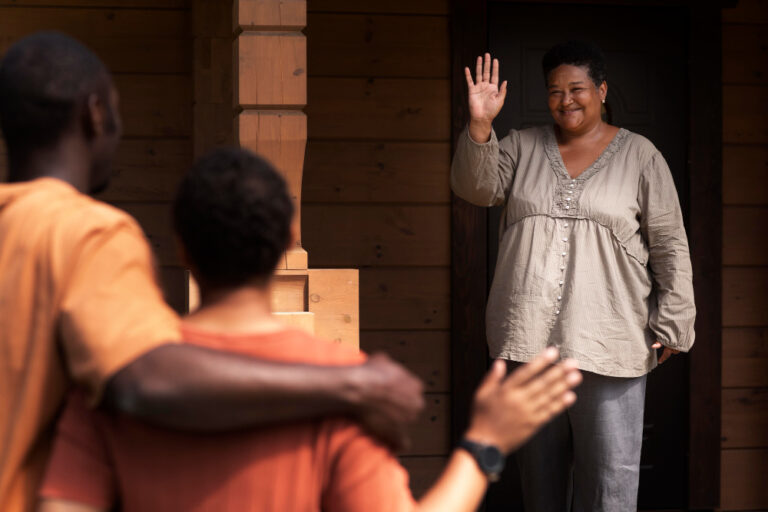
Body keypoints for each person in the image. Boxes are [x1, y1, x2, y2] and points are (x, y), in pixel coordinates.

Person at [0, 32, 425, 512]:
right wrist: (353, 383)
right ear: (94, 113)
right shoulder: (83, 233)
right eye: (117, 111)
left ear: (184, 248)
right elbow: (145, 379)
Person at [36, 147, 582, 512]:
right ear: (287, 238)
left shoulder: (116, 377)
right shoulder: (348, 383)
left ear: (181, 247)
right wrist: (485, 444)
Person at [451, 41, 696, 511]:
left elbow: (670, 243)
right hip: (529, 343)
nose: (567, 100)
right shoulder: (521, 146)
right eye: (555, 91)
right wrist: (481, 124)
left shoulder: (641, 156)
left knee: (609, 482)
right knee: (539, 482)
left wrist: (674, 322)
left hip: (610, 342)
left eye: (578, 88)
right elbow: (475, 187)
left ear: (601, 90)